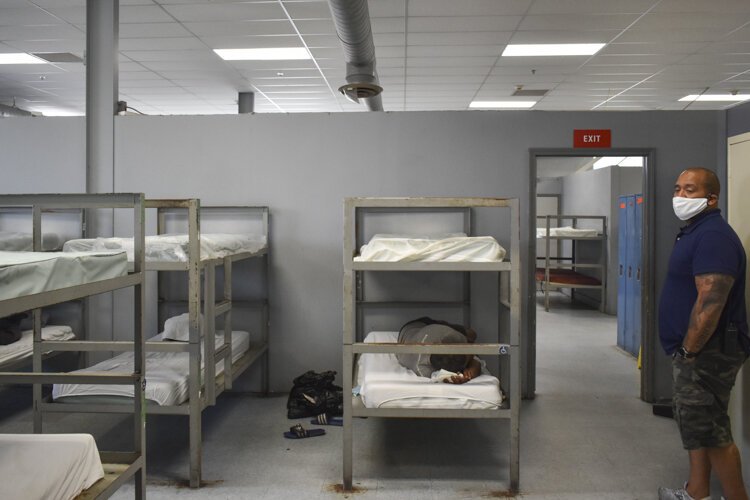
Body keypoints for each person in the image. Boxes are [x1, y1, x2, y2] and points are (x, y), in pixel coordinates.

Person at [658, 168, 750, 500]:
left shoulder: (714, 237)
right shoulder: (695, 231)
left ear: (711, 198)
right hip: (694, 350)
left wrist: (689, 352)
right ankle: (697, 492)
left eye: (690, 190)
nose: (680, 196)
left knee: (711, 432)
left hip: (706, 352)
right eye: (678, 188)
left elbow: (711, 301)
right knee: (696, 425)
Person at [395, 317, 481, 384]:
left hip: (422, 327)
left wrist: (471, 371)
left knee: (472, 335)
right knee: (471, 335)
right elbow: (443, 379)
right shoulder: (421, 367)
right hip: (411, 330)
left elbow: (472, 354)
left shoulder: (450, 336)